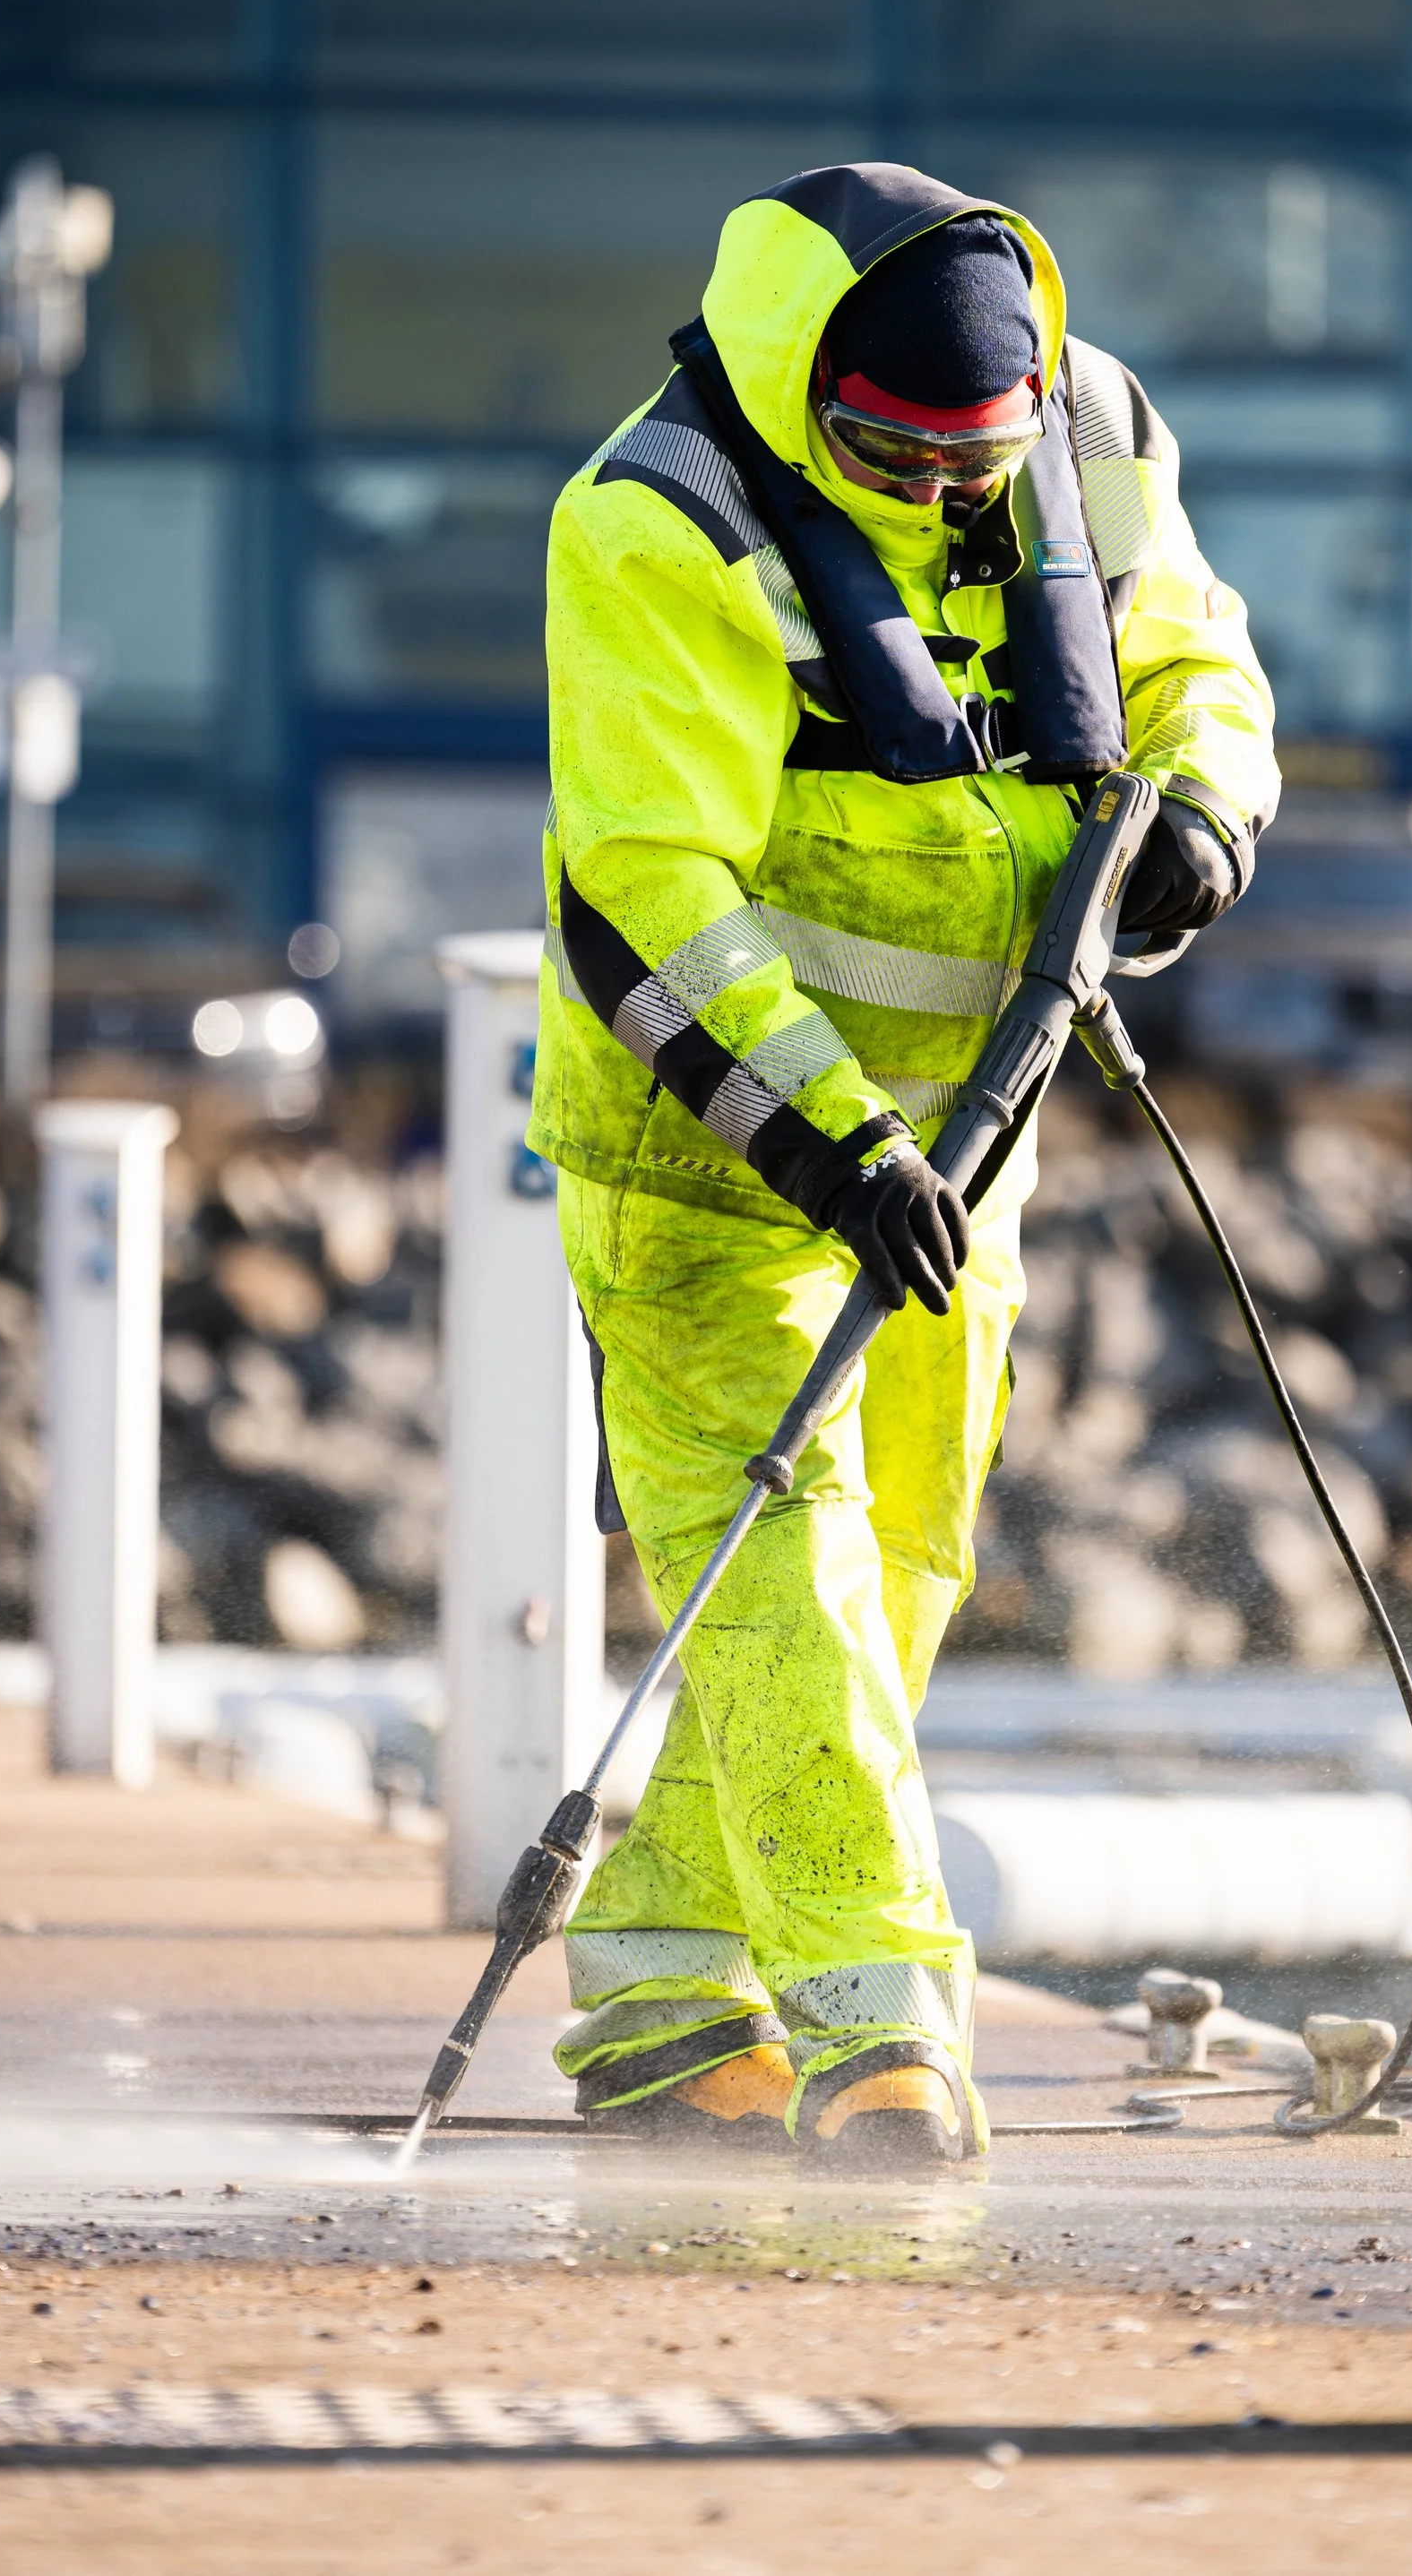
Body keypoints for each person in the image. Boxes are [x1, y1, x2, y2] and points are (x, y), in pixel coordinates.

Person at [528, 162, 1277, 2167]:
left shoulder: (1086, 425)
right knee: (780, 1569)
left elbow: (1189, 641)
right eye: (886, 459)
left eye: (973, 463)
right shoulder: (654, 521)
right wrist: (828, 1141)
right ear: (805, 403)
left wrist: (1202, 803)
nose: (944, 504)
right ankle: (883, 2033)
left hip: (971, 1131)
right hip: (710, 1157)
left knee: (896, 1565)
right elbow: (645, 894)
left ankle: (664, 1996)